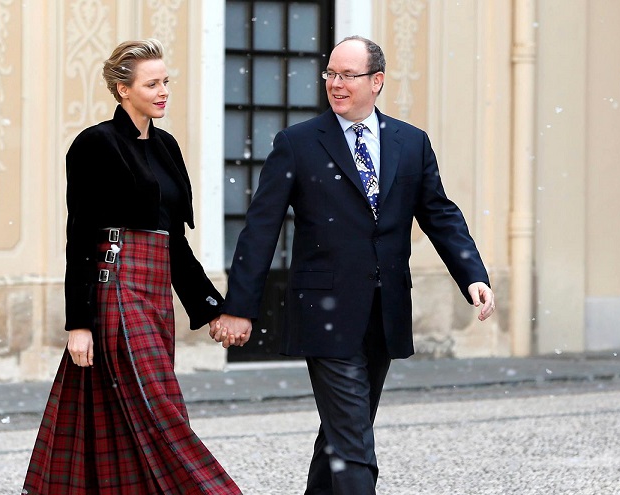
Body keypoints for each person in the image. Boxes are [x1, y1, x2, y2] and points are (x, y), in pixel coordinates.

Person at [212, 35, 496, 495]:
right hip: (324, 310)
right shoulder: (297, 144)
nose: (335, 84)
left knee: (345, 430)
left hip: (384, 313)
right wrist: (240, 306)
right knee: (354, 445)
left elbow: (440, 214)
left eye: (347, 75)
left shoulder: (411, 142)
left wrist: (473, 275)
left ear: (376, 81)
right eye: (330, 74)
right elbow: (261, 229)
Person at [22, 39, 241, 495]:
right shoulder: (95, 144)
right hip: (115, 286)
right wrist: (79, 323)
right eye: (152, 83)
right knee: (159, 406)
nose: (163, 91)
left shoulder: (167, 147)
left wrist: (211, 306)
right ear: (123, 90)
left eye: (166, 82)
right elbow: (80, 236)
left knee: (124, 406)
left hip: (156, 292)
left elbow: (174, 241)